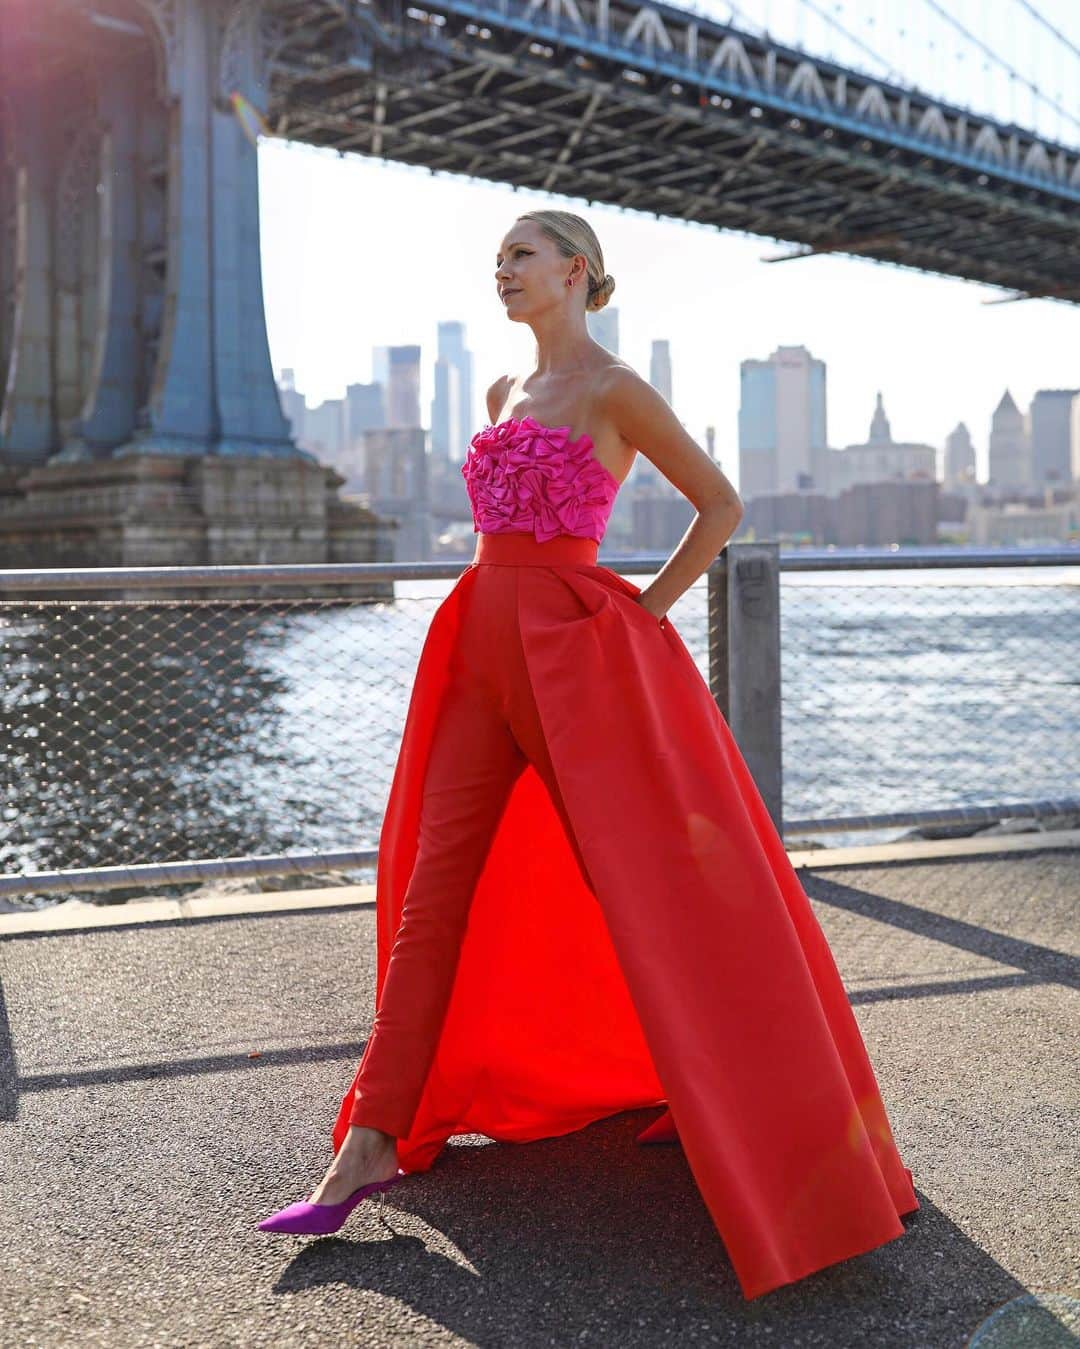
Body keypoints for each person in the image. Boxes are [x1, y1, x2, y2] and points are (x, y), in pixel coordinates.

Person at [258, 210, 919, 1301]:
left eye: (522, 253)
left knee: (657, 890)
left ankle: (751, 1125)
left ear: (577, 272)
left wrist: (642, 616)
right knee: (434, 895)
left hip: (578, 653)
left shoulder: (616, 390)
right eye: (497, 257)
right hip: (479, 646)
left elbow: (721, 505)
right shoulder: (497, 396)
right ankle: (368, 1140)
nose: (503, 269)